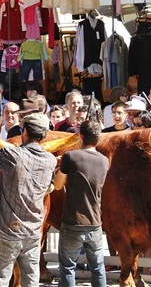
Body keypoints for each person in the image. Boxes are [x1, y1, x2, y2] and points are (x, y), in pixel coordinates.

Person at [0, 113, 57, 286]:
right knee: (31, 281)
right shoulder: (50, 160)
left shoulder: (12, 155)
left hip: (8, 230)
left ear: (24, 132)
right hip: (33, 231)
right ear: (44, 135)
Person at [54, 120, 109, 287]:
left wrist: (58, 170)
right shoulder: (104, 160)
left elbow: (57, 185)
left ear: (81, 136)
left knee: (68, 266)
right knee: (98, 267)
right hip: (94, 222)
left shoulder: (71, 156)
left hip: (73, 221)